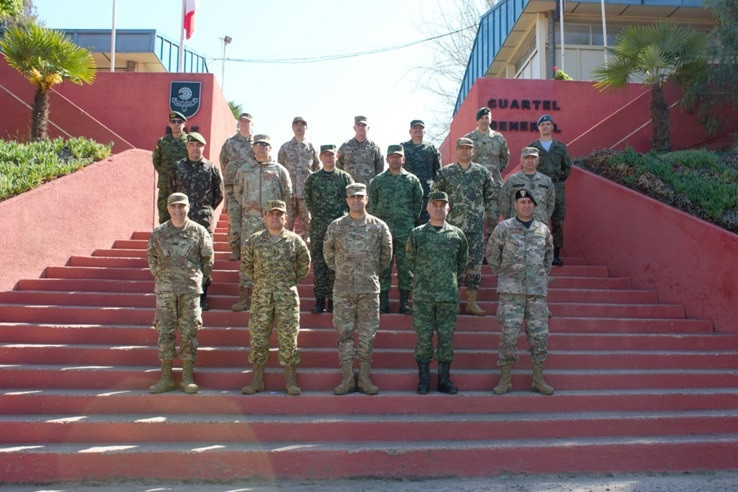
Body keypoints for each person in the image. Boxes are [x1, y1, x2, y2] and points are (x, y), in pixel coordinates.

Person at [323, 183, 392, 395]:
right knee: (343, 334)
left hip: (369, 289)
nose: (356, 200)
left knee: (367, 335)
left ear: (367, 199)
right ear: (347, 200)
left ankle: (363, 378)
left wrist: (367, 271)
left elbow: (386, 256)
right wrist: (344, 269)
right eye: (352, 197)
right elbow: (328, 253)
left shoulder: (379, 226)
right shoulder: (336, 226)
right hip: (343, 288)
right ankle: (346, 378)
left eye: (360, 197)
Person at [486, 189, 555, 396]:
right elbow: (491, 253)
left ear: (535, 206)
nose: (525, 205)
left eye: (529, 202)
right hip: (511, 293)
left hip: (536, 294)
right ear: (515, 205)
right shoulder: (504, 228)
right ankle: (505, 380)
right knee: (508, 336)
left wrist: (539, 276)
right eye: (522, 202)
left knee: (539, 337)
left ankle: (538, 379)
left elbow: (548, 255)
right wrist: (504, 275)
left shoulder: (543, 230)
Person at [240, 200, 311, 396]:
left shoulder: (294, 241)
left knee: (288, 337)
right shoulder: (255, 240)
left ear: (286, 218)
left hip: (286, 296)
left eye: (279, 214)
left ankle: (290, 380)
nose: (274, 217)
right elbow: (246, 265)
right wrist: (262, 281)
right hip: (261, 296)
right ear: (264, 217)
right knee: (258, 337)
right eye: (271, 214)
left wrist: (288, 281)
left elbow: (304, 265)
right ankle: (257, 380)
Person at [146, 192, 214, 395]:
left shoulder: (199, 231)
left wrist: (197, 279)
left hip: (190, 291)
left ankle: (187, 378)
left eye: (181, 206)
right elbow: (151, 256)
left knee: (189, 332)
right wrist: (160, 275)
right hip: (165, 290)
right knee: (165, 331)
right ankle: (166, 378)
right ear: (168, 209)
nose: (178, 210)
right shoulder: (159, 233)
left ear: (188, 207)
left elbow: (208, 260)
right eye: (174, 206)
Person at [406, 191, 468, 394]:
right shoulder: (417, 234)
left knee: (446, 338)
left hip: (447, 295)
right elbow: (410, 261)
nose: (439, 208)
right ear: (428, 208)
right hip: (423, 295)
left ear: (448, 208)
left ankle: (443, 380)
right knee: (423, 338)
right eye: (435, 204)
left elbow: (461, 263)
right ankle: (424, 380)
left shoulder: (457, 235)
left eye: (443, 205)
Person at [432, 137, 499, 316]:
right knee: (452, 264)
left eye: (468, 148)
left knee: (474, 264)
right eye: (461, 148)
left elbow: (490, 195)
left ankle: (471, 303)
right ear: (456, 150)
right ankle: (453, 301)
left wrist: (477, 211)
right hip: (451, 227)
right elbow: (436, 197)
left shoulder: (482, 173)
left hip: (475, 228)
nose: (464, 151)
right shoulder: (445, 173)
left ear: (473, 151)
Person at [231, 134, 293, 312]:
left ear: (270, 148)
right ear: (253, 147)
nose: (261, 148)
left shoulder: (279, 170)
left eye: (265, 145)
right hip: (250, 220)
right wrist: (249, 207)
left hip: (272, 221)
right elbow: (237, 191)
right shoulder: (244, 169)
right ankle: (245, 298)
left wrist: (274, 212)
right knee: (248, 258)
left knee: (274, 257)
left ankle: (274, 299)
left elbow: (286, 194)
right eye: (258, 145)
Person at [169, 132, 224, 311]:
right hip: (181, 220)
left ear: (203, 147)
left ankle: (202, 296)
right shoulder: (177, 167)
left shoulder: (211, 168)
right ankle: (181, 294)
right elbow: (172, 192)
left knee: (204, 256)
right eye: (192, 145)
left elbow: (219, 194)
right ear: (187, 147)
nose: (195, 148)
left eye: (198, 145)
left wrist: (204, 209)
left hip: (203, 220)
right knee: (179, 255)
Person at [368, 144, 423, 315]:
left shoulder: (412, 180)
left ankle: (404, 303)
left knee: (405, 266)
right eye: (392, 156)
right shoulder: (378, 181)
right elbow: (372, 204)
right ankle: (383, 302)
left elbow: (418, 202)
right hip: (383, 230)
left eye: (398, 156)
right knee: (383, 265)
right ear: (387, 159)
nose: (395, 159)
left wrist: (409, 219)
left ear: (403, 159)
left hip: (405, 229)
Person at [303, 144, 354, 314]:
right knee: (319, 263)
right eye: (325, 155)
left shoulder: (345, 178)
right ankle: (319, 300)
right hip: (318, 227)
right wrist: (318, 216)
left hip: (339, 228)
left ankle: (333, 301)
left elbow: (352, 199)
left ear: (337, 156)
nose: (328, 158)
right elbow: (308, 199)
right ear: (320, 157)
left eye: (331, 155)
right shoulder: (313, 179)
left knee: (337, 264)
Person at [528, 114, 572, 266]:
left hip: (557, 188)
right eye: (542, 124)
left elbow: (567, 167)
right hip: (538, 188)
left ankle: (556, 255)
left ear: (552, 126)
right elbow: (526, 167)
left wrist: (558, 180)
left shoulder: (560, 147)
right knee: (539, 221)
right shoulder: (533, 148)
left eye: (548, 124)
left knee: (558, 220)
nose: (545, 127)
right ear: (538, 127)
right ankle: (540, 253)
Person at [466, 106, 510, 242]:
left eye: (487, 118)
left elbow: (505, 157)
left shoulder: (498, 138)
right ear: (477, 121)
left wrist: (495, 171)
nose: (485, 120)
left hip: (493, 185)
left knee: (493, 217)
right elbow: (464, 159)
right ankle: (477, 251)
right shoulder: (469, 139)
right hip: (474, 185)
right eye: (482, 118)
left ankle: (491, 251)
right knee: (475, 218)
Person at [278, 116, 321, 245]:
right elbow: (280, 170)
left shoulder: (312, 148)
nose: (299, 126)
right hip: (288, 195)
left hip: (306, 195)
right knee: (286, 226)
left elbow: (316, 170)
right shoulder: (285, 148)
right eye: (296, 124)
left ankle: (305, 256)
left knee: (307, 227)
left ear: (306, 128)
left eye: (302, 124)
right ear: (292, 127)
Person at [219, 112, 255, 260]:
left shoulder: (257, 143)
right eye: (242, 121)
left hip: (251, 187)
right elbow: (223, 162)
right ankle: (235, 248)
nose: (244, 124)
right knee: (234, 218)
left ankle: (250, 249)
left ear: (252, 124)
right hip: (232, 186)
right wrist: (231, 176)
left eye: (247, 122)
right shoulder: (229, 142)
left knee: (251, 218)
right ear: (238, 124)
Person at [499, 147, 555, 224]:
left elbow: (551, 204)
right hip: (516, 226)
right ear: (521, 160)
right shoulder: (512, 180)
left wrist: (542, 217)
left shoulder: (546, 181)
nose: (530, 160)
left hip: (539, 227)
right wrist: (511, 220)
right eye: (526, 157)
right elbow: (504, 202)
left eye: (533, 157)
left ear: (538, 160)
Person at [402, 119, 442, 225]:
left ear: (424, 131)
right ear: (410, 131)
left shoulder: (431, 149)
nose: (418, 130)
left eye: (420, 128)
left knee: (426, 226)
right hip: (407, 194)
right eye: (415, 128)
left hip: (426, 194)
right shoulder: (402, 148)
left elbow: (437, 173)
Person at [152, 111, 188, 223]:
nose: (177, 124)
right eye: (173, 121)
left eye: (180, 121)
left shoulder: (189, 142)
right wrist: (165, 173)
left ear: (184, 124)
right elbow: (156, 161)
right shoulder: (162, 142)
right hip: (165, 185)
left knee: (183, 216)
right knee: (164, 215)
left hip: (183, 185)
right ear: (170, 124)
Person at [337, 115, 384, 185]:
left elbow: (379, 169)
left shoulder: (374, 147)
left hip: (368, 189)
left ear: (368, 128)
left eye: (363, 125)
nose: (361, 127)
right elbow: (338, 166)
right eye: (358, 125)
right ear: (354, 128)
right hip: (349, 189)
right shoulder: (345, 146)